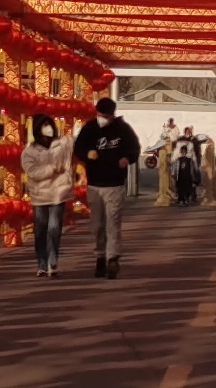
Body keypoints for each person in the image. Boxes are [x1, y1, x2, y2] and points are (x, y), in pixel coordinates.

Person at [75, 96, 142, 275]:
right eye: (99, 115)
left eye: (105, 115)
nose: (102, 118)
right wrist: (86, 154)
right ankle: (100, 256)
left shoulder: (123, 129)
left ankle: (112, 258)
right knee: (97, 225)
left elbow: (134, 148)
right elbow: (78, 148)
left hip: (115, 184)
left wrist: (127, 158)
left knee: (113, 222)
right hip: (95, 184)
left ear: (112, 115)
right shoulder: (89, 129)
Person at [21, 115, 73, 274]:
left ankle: (52, 261)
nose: (48, 128)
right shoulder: (29, 152)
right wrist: (52, 169)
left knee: (54, 227)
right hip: (40, 195)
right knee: (40, 229)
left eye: (49, 124)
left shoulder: (62, 144)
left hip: (59, 192)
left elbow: (75, 145)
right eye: (44, 125)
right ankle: (41, 263)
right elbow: (32, 172)